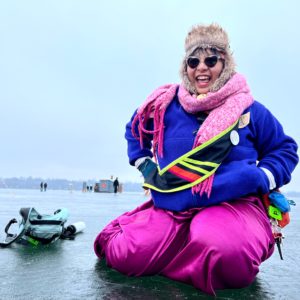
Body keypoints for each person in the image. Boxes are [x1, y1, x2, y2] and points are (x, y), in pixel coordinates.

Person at [94, 23, 298, 295]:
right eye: (194, 61)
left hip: (233, 203)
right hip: (174, 203)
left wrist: (262, 177)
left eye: (211, 59)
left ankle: (190, 252)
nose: (201, 67)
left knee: (224, 252)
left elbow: (284, 149)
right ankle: (189, 256)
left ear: (225, 63)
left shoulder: (249, 108)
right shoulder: (166, 104)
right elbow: (135, 129)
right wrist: (144, 164)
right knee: (125, 254)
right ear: (185, 66)